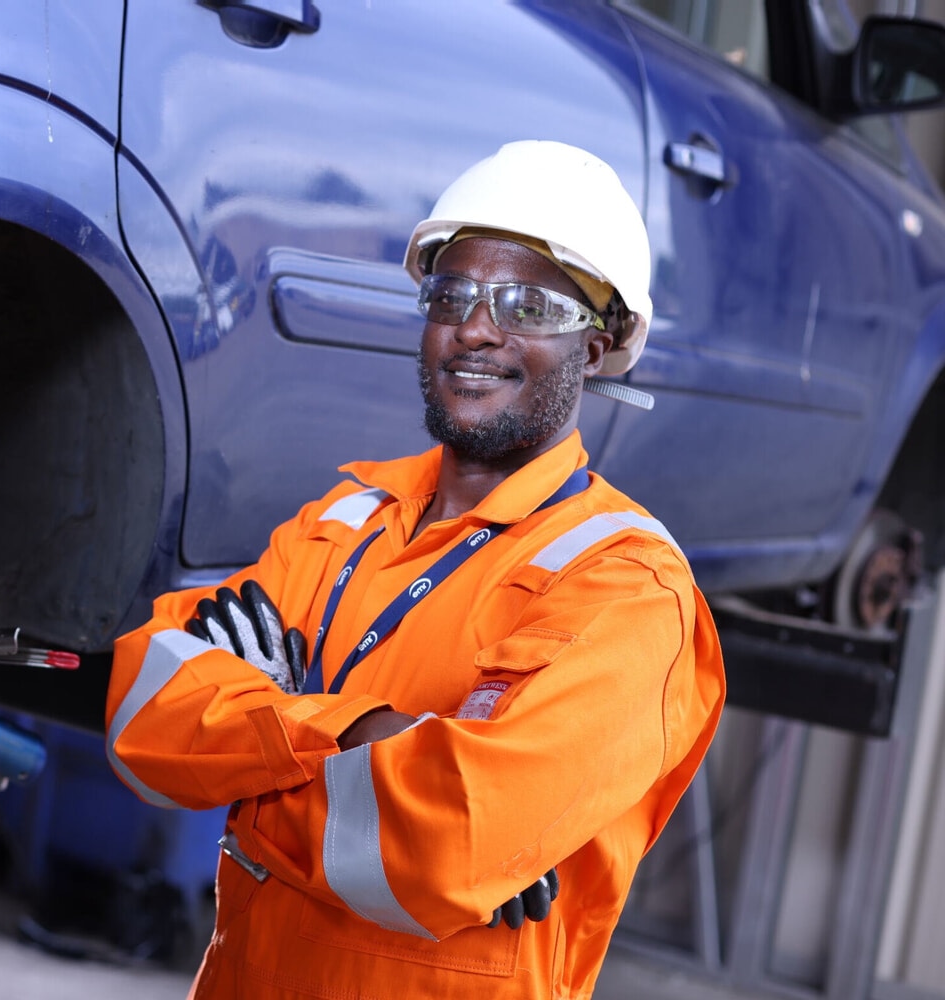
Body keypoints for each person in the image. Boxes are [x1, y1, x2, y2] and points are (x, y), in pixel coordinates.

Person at [105, 139, 725, 1000]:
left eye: (530, 306)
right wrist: (363, 737)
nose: (476, 327)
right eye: (453, 293)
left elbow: (434, 847)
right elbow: (143, 720)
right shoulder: (347, 520)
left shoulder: (625, 588)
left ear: (602, 340)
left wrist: (249, 759)